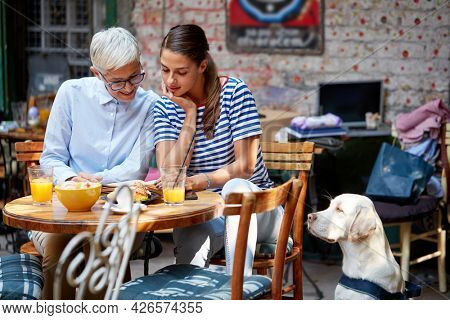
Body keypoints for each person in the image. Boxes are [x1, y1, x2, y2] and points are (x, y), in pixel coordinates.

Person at [35, 27, 159, 299]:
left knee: (99, 251)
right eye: (117, 81)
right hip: (65, 210)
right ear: (96, 73)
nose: (128, 87)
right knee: (58, 256)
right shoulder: (71, 93)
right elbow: (51, 158)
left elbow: (135, 168)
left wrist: (94, 182)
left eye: (135, 76)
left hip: (120, 213)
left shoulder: (151, 106)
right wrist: (71, 181)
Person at [154, 24, 282, 276]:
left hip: (261, 209)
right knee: (191, 230)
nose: (170, 81)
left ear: (202, 66)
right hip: (212, 214)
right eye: (165, 70)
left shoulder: (234, 93)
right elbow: (170, 174)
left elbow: (245, 167)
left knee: (235, 189)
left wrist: (203, 180)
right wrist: (189, 116)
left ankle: (238, 295)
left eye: (181, 72)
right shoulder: (165, 107)